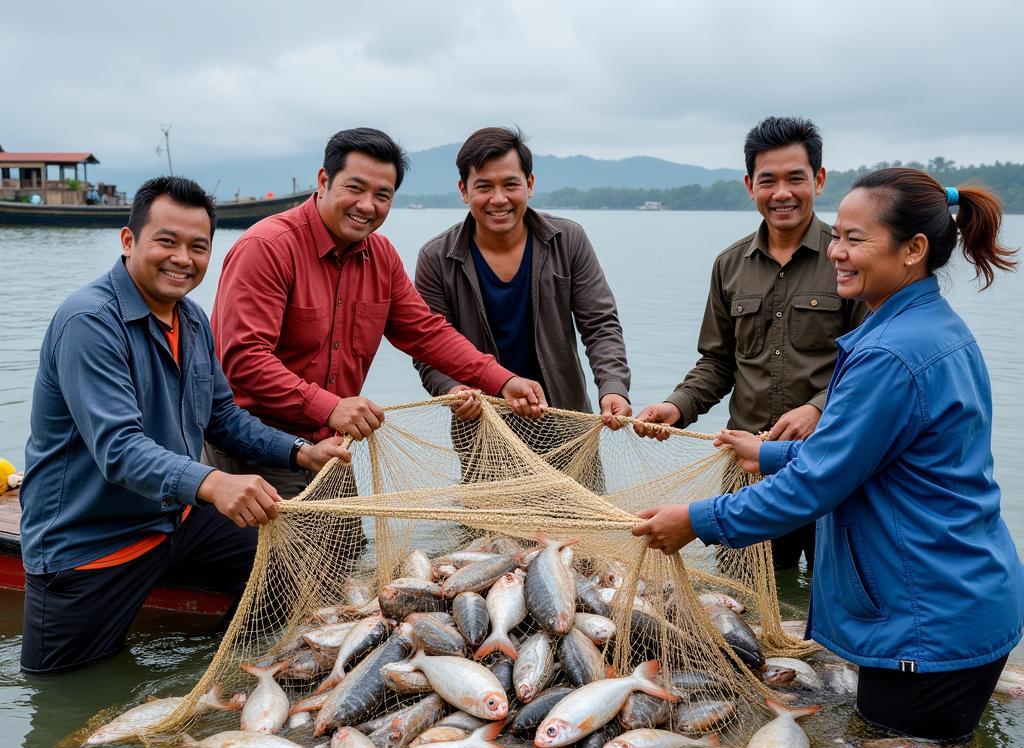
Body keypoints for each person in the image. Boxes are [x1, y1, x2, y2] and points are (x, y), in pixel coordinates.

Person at [633, 169, 1023, 747]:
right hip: (960, 595)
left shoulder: (891, 352)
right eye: (837, 235)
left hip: (927, 623)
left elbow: (816, 488)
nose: (836, 252)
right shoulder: (929, 328)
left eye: (856, 239)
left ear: (913, 249)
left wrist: (696, 521)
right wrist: (770, 454)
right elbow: (879, 453)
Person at [19, 176, 351, 675]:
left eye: (198, 247)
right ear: (129, 241)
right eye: (166, 241)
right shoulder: (89, 321)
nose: (182, 258)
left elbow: (221, 417)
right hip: (91, 539)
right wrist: (213, 482)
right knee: (63, 688)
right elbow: (120, 449)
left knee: (285, 568)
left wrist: (300, 451)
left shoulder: (192, 319)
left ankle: (222, 679)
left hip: (173, 517)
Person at [208, 127, 546, 498]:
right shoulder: (268, 247)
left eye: (382, 195)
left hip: (333, 448)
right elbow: (244, 360)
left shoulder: (380, 256)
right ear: (324, 180)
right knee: (269, 557)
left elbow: (426, 332)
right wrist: (330, 406)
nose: (367, 205)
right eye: (355, 188)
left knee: (345, 553)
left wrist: (501, 380)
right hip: (256, 450)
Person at [634, 117, 867, 571]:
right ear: (749, 186)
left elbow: (868, 365)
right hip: (748, 471)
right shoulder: (729, 265)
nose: (782, 193)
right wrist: (677, 406)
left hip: (830, 468)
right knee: (747, 605)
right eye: (768, 181)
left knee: (841, 595)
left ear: (818, 180)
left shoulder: (848, 260)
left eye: (795, 178)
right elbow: (718, 362)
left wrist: (818, 408)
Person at [413, 126, 631, 429]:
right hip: (482, 429)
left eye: (510, 185)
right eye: (484, 187)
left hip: (567, 422)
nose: (499, 199)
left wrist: (613, 386)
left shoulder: (567, 239)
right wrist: (451, 389)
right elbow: (428, 348)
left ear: (529, 184)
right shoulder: (437, 258)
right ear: (464, 191)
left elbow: (600, 324)